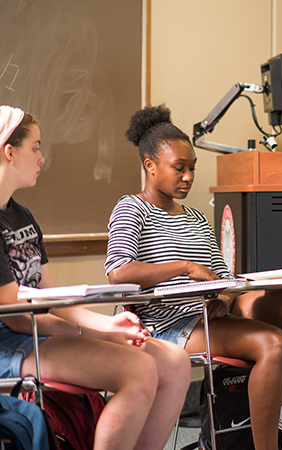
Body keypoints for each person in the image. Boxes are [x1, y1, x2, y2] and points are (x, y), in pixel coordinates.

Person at [104, 104, 282, 450]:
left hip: (210, 317)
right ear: (150, 166)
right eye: (179, 168)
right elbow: (119, 273)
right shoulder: (132, 208)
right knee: (275, 343)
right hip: (169, 326)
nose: (188, 177)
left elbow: (221, 275)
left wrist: (224, 297)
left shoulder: (196, 219)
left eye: (192, 168)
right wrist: (185, 267)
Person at [0, 105, 192, 449]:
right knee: (139, 370)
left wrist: (109, 327)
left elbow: (51, 297)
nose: (42, 158)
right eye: (36, 147)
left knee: (174, 361)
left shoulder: (22, 216)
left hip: (38, 334)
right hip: (10, 345)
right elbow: (15, 315)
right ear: (9, 152)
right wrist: (96, 331)